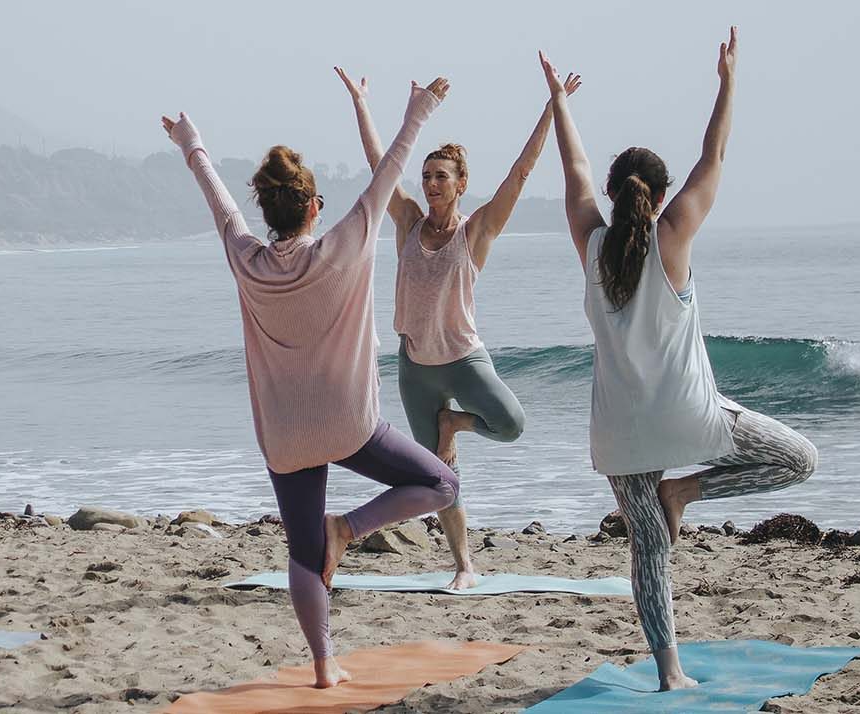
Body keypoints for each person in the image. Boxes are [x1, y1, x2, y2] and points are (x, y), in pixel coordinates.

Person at [158, 77, 458, 689]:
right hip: (350, 426)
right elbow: (390, 171)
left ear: (266, 213)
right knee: (441, 484)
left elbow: (218, 200)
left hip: (286, 437)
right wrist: (419, 110)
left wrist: (191, 142)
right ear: (315, 206)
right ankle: (348, 528)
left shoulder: (245, 257)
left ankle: (324, 667)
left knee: (300, 554)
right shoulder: (344, 246)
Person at [542, 28, 818, 690]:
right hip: (691, 420)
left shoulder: (591, 246)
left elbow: (573, 173)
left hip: (620, 435)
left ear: (612, 196)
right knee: (799, 460)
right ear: (660, 197)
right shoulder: (674, 238)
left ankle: (670, 673)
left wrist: (560, 103)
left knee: (649, 551)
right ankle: (688, 489)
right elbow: (714, 154)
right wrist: (727, 82)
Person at [333, 66, 581, 589]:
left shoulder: (478, 231)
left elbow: (521, 172)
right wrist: (360, 102)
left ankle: (456, 424)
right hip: (416, 367)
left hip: (465, 360)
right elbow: (382, 164)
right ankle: (464, 565)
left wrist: (551, 107)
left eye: (441, 176)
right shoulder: (405, 222)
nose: (430, 184)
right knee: (441, 481)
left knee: (511, 424)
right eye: (426, 176)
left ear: (461, 183)